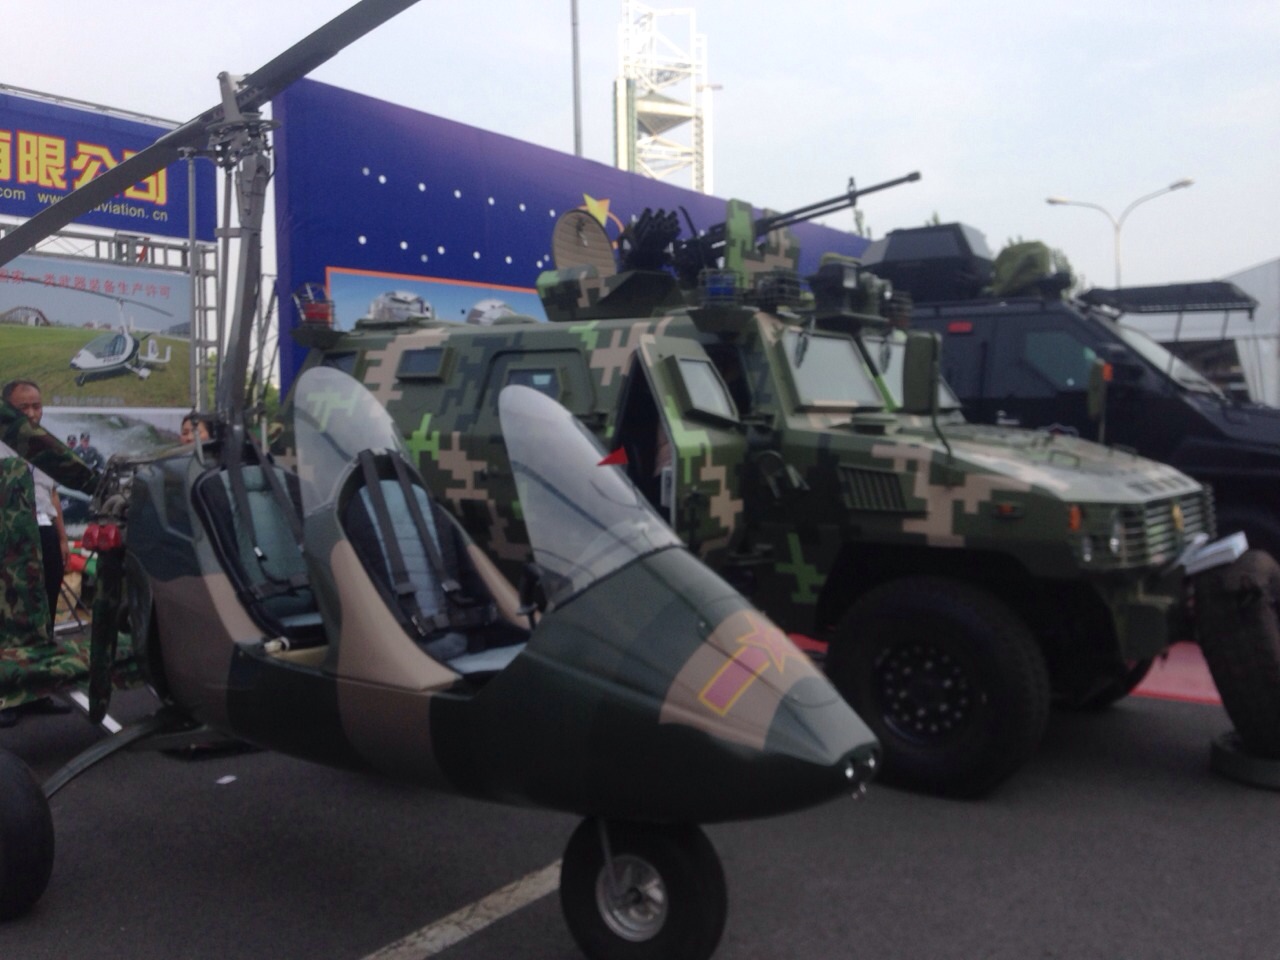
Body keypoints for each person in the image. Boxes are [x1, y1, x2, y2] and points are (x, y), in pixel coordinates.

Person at [0, 379, 72, 725]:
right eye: (23, 407)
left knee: (44, 615)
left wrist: (62, 539)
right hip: (11, 540)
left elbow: (52, 493)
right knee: (9, 619)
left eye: (36, 406)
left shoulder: (45, 446)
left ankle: (38, 690)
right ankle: (6, 697)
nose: (31, 413)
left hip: (44, 532)